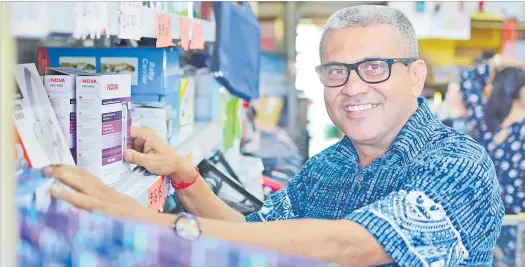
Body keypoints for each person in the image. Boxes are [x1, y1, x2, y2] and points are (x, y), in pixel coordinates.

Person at [43, 5, 504, 267]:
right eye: (336, 72)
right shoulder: (328, 165)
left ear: (417, 76)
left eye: (375, 68)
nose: (354, 87)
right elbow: (251, 233)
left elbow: (348, 245)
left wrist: (140, 219)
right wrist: (185, 176)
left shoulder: (459, 167)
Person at [458, 56, 525, 214]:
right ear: (519, 89)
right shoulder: (487, 125)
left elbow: (468, 79)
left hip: (510, 227)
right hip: (492, 226)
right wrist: (500, 61)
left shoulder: (486, 127)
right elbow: (468, 78)